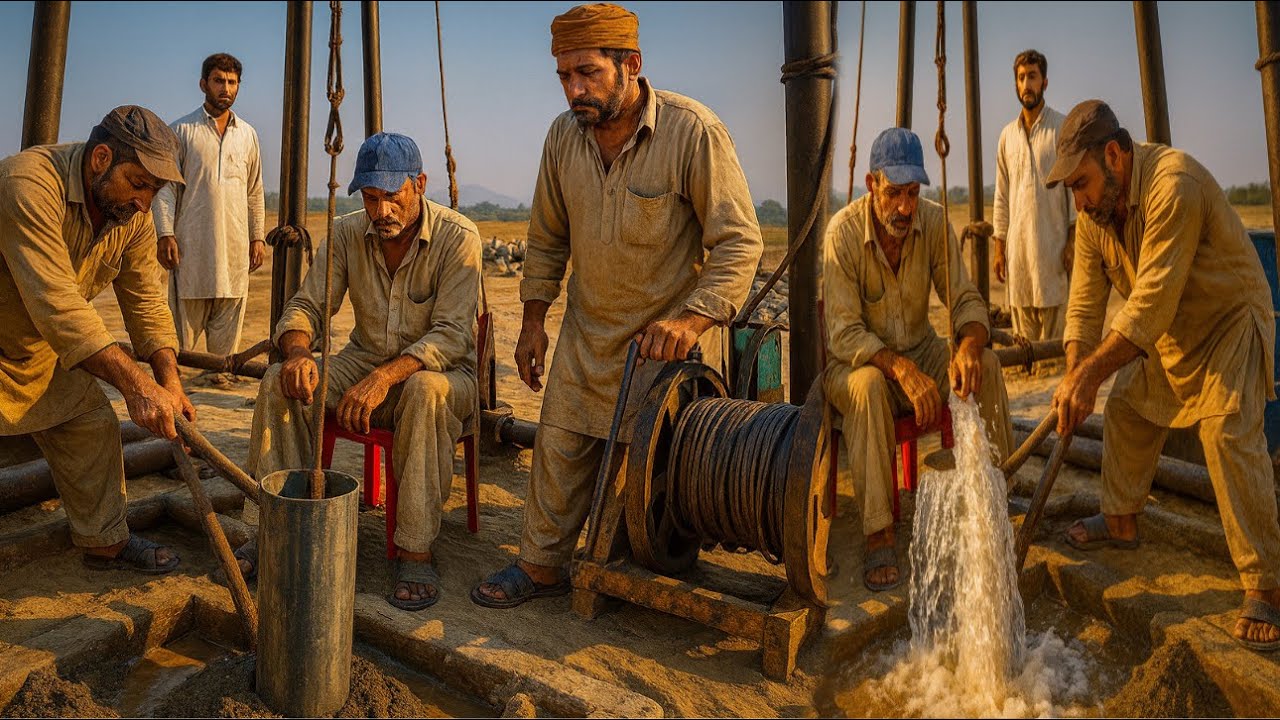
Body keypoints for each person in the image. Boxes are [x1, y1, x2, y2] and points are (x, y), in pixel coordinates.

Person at [471, 2, 762, 608]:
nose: (574, 90)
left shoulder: (693, 132)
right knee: (556, 454)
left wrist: (690, 321)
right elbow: (547, 238)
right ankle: (541, 567)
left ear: (630, 65)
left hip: (662, 350)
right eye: (563, 77)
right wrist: (532, 323)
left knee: (640, 504)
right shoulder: (562, 137)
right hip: (585, 337)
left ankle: (631, 556)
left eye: (587, 74)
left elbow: (739, 241)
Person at [1049, 99, 1280, 652]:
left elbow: (1147, 306)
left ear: (1114, 156)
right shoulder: (1095, 218)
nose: (1078, 203)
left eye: (1081, 184)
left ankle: (1266, 584)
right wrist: (1073, 377)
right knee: (1126, 407)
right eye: (1071, 192)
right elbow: (1083, 305)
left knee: (1226, 432)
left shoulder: (1173, 184)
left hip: (1229, 324)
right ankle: (1122, 519)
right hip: (1171, 336)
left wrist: (1089, 374)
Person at [246, 132, 481, 612]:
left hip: (444, 375)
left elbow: (453, 336)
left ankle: (414, 552)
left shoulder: (460, 238)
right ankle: (276, 530)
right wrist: (296, 353)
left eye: (392, 197)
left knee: (424, 390)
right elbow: (308, 306)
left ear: (420, 184)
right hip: (365, 361)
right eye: (371, 199)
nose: (381, 212)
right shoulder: (349, 232)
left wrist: (383, 379)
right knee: (278, 382)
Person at [0, 105, 194, 573]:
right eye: (140, 184)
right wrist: (134, 383)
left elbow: (147, 304)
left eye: (155, 191)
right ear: (101, 158)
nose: (145, 203)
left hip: (41, 352)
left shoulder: (131, 218)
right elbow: (60, 305)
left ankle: (105, 541)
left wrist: (169, 384)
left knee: (91, 422)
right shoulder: (27, 183)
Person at [822, 127, 1014, 593]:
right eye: (894, 194)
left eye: (913, 193)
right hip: (857, 364)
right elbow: (844, 334)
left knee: (984, 366)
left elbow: (965, 299)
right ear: (872, 185)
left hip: (921, 350)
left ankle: (998, 496)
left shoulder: (932, 222)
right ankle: (879, 532)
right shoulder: (842, 234)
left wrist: (969, 344)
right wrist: (901, 370)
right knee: (869, 387)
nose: (905, 207)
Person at [152, 53, 266, 387]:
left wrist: (257, 236)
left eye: (232, 82)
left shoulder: (248, 135)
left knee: (224, 351)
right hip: (192, 250)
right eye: (219, 81)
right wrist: (165, 233)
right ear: (204, 84)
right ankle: (174, 384)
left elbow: (254, 190)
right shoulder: (181, 131)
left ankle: (219, 377)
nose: (225, 88)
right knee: (178, 345)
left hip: (233, 251)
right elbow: (166, 190)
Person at [992, 49, 1075, 345]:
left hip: (1053, 250)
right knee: (1023, 348)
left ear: (1045, 82)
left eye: (1033, 77)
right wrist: (999, 249)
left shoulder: (1061, 129)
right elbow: (1002, 196)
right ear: (1015, 84)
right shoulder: (1006, 136)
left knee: (1053, 351)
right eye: (1021, 78)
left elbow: (1072, 191)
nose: (1027, 84)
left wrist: (1072, 241)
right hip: (1019, 256)